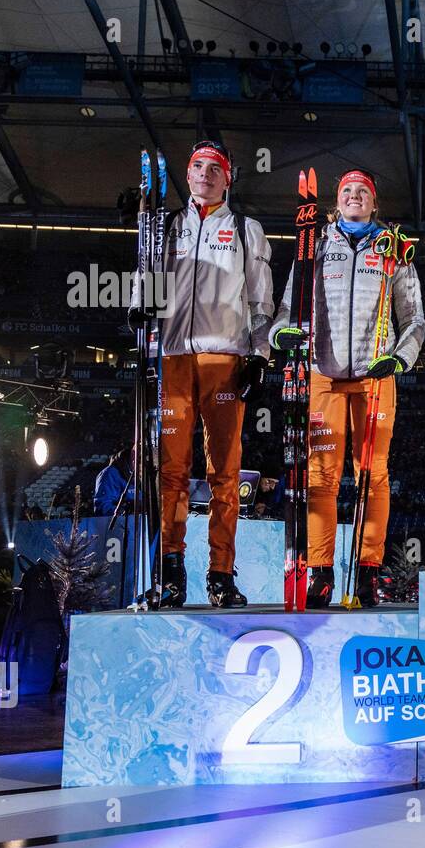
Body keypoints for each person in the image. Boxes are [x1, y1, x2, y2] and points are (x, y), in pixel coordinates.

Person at [270, 169, 425, 608]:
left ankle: (368, 573)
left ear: (374, 203)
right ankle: (320, 573)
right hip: (324, 371)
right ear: (337, 202)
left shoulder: (393, 249)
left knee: (372, 474)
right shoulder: (314, 244)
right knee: (320, 475)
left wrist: (401, 356)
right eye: (347, 192)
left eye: (363, 192)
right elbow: (289, 304)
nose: (355, 196)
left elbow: (413, 317)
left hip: (376, 373)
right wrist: (282, 332)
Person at [152, 140, 274, 608]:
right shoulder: (165, 227)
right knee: (172, 473)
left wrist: (260, 355)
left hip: (225, 358)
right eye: (197, 166)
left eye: (215, 168)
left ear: (229, 178)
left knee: (225, 473)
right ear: (187, 174)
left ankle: (221, 574)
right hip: (173, 360)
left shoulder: (246, 229)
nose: (205, 174)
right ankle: (171, 571)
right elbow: (149, 294)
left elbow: (261, 303)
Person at [93, 449, 132, 516]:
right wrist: (124, 512)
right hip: (117, 524)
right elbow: (103, 506)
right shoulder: (110, 474)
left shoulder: (140, 475)